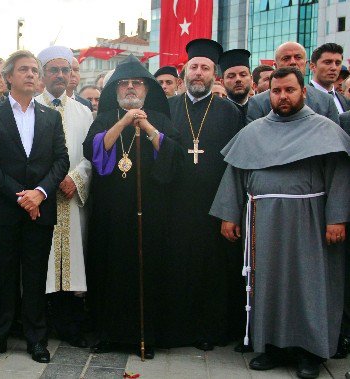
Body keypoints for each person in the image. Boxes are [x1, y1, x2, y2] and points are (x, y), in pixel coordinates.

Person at [210, 66, 350, 379]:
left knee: (308, 284)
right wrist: (229, 215)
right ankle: (270, 346)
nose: (282, 96)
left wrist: (337, 218)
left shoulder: (324, 129)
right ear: (268, 93)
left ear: (303, 92)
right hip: (265, 222)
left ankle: (308, 352)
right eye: (276, 91)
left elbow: (340, 177)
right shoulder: (254, 131)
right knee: (267, 284)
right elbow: (235, 174)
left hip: (310, 222)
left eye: (289, 90)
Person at [82, 55, 183, 358]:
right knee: (109, 271)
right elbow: (93, 151)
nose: (129, 88)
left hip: (150, 214)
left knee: (147, 271)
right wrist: (124, 121)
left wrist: (147, 126)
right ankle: (108, 334)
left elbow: (174, 158)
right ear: (114, 90)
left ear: (146, 89)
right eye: (123, 84)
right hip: (110, 214)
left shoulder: (160, 118)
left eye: (136, 83)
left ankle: (146, 335)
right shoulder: (104, 117)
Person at [0, 50, 69, 363]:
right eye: (24, 70)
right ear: (9, 77)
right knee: (1, 277)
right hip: (3, 210)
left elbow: (61, 160)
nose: (31, 75)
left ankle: (36, 340)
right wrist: (21, 195)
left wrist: (40, 193)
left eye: (34, 70)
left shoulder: (51, 117)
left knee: (35, 277)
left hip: (40, 209)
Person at [158, 38, 244, 352]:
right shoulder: (167, 107)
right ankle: (176, 329)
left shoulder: (229, 111)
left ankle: (211, 330)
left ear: (214, 75)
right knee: (176, 267)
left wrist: (231, 210)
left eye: (205, 68)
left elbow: (237, 164)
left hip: (214, 206)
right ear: (184, 73)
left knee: (213, 271)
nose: (198, 73)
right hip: (174, 206)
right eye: (193, 67)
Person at [35, 46, 93, 349]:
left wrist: (76, 178)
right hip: (41, 199)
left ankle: (71, 327)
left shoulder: (84, 111)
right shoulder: (30, 107)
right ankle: (39, 328)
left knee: (72, 264)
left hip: (72, 199)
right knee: (40, 265)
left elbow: (91, 156)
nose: (61, 75)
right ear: (43, 73)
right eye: (54, 70)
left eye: (66, 70)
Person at [246, 42, 339, 124]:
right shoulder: (258, 103)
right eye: (286, 58)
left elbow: (333, 137)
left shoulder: (326, 101)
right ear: (275, 65)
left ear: (306, 64)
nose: (293, 62)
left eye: (298, 57)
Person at [309, 43, 348, 114]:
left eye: (338, 63)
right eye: (327, 62)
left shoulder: (345, 101)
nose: (334, 68)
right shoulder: (303, 98)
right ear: (312, 66)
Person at [219, 49, 252, 119]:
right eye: (231, 76)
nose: (238, 79)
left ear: (251, 79)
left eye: (243, 75)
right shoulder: (216, 111)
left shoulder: (260, 109)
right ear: (222, 82)